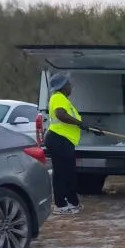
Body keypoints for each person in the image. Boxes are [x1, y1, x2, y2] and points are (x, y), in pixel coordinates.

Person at [44, 73, 102, 215]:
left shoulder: (63, 99)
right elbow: (60, 114)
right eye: (69, 84)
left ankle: (72, 202)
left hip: (63, 140)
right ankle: (61, 205)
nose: (71, 87)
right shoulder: (58, 97)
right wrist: (80, 123)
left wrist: (89, 127)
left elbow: (72, 120)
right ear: (63, 87)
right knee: (62, 174)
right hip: (59, 139)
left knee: (68, 173)